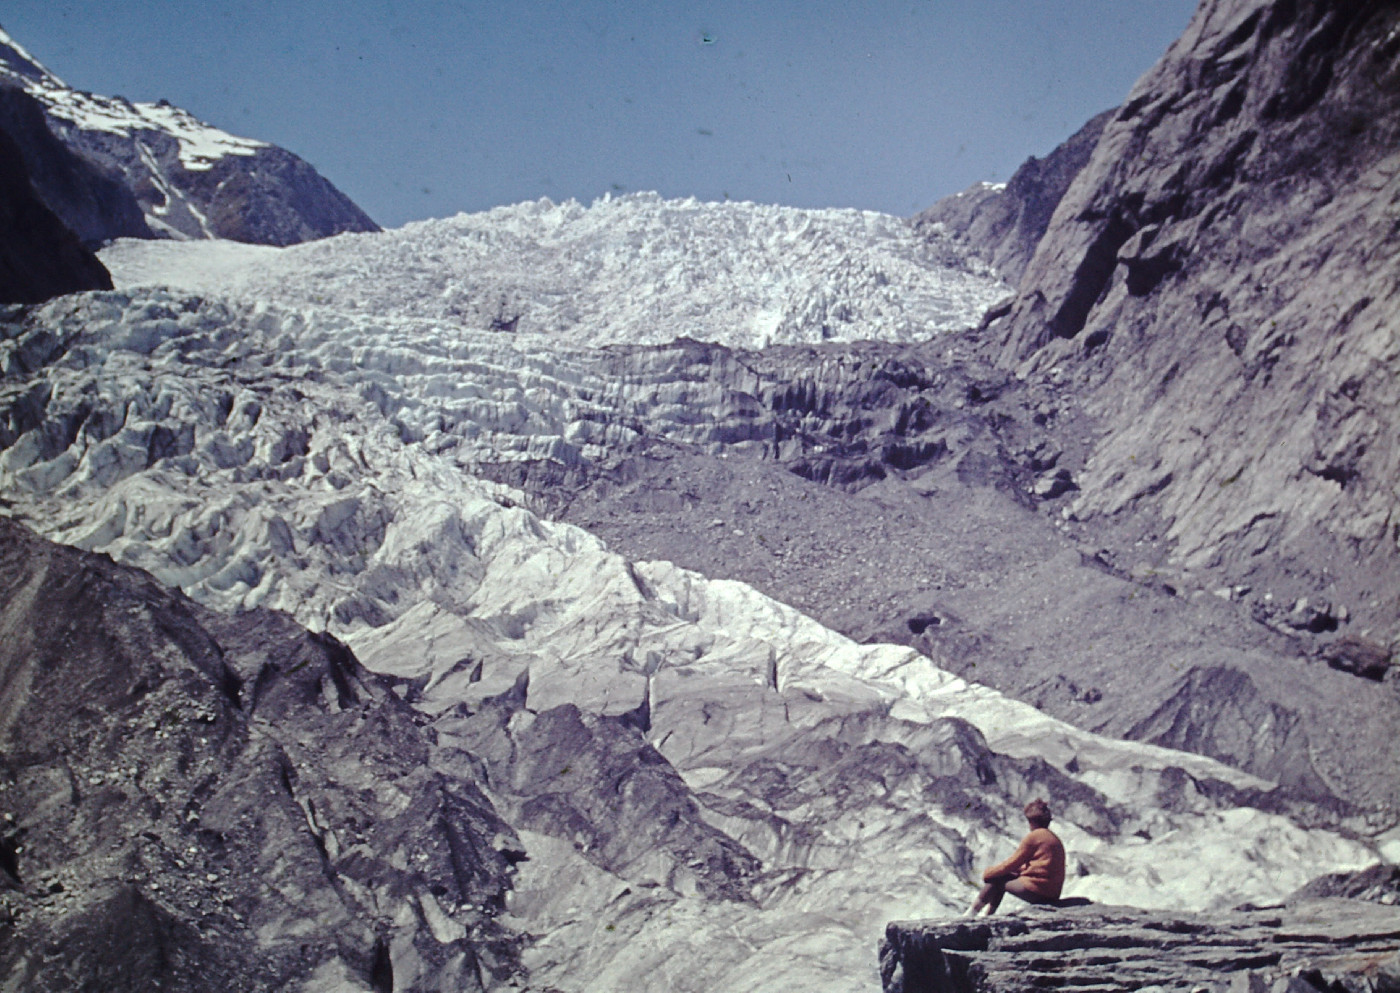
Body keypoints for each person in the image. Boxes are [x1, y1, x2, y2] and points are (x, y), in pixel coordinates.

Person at [967, 798, 1066, 916]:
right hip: (1052, 892)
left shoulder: (1034, 837)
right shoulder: (1053, 838)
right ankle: (987, 915)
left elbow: (1012, 863)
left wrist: (989, 873)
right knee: (1003, 877)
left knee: (998, 879)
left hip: (1039, 890)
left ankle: (972, 913)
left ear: (1031, 822)